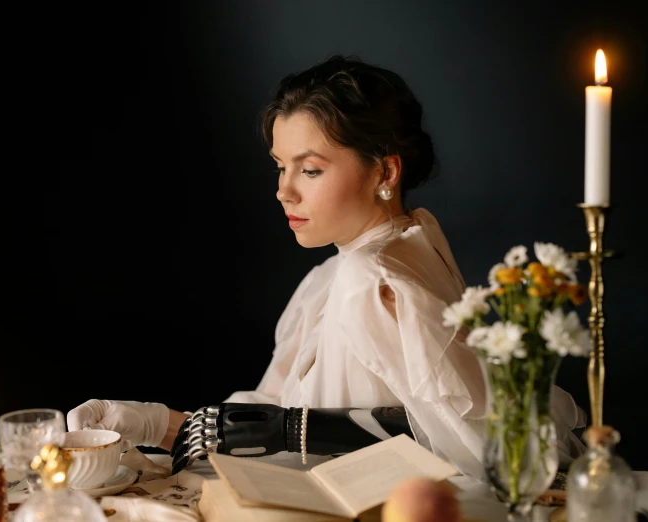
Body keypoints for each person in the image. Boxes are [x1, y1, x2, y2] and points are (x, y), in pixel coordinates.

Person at [67, 54, 586, 479]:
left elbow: (472, 454)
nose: (283, 190)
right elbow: (279, 415)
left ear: (384, 170)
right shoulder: (362, 262)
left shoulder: (372, 280)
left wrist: (163, 428)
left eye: (310, 169)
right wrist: (154, 423)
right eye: (280, 166)